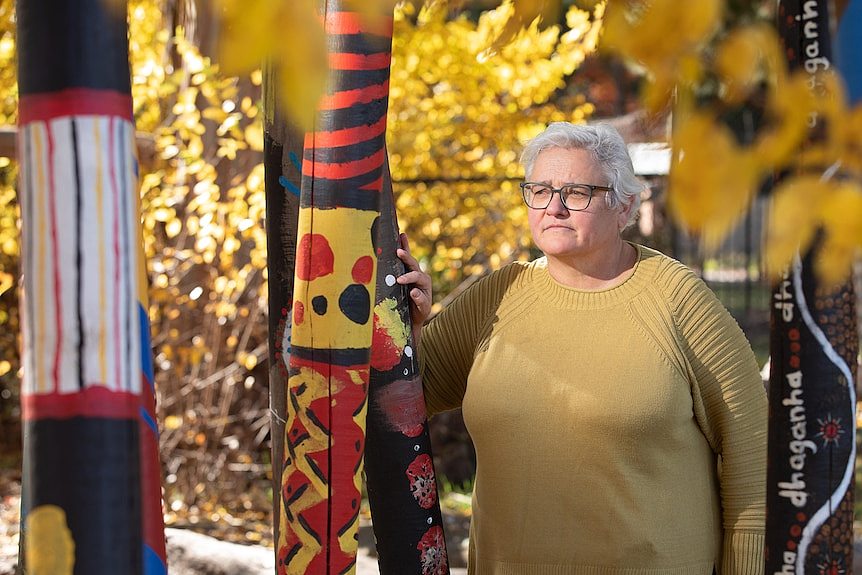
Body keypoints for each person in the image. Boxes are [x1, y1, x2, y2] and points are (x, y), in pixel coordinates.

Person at [395, 122, 767, 574]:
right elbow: (414, 394)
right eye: (539, 190)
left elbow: (753, 454)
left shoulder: (677, 301)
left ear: (624, 204)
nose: (554, 208)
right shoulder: (498, 294)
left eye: (576, 193)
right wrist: (408, 325)